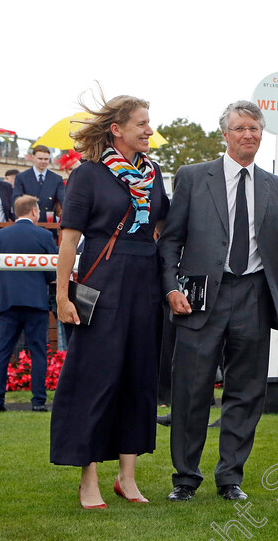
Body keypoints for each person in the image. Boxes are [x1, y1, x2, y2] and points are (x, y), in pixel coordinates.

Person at [159, 100, 278, 503]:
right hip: (199, 300)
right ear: (225, 134)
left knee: (246, 391)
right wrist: (171, 288)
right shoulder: (191, 177)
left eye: (255, 128)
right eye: (240, 128)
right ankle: (185, 478)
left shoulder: (276, 186)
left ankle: (230, 478)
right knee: (191, 389)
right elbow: (170, 242)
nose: (248, 135)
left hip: (254, 296)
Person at [50, 94, 170, 509]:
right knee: (95, 379)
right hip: (101, 283)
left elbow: (163, 228)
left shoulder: (154, 175)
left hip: (145, 284)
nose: (149, 130)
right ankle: (89, 479)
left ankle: (128, 477)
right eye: (141, 123)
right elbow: (69, 241)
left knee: (138, 380)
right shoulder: (88, 175)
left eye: (149, 123)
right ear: (117, 129)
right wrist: (63, 294)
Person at [0, 195, 56, 412]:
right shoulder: (44, 235)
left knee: (2, 351)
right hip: (36, 301)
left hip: (8, 301)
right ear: (34, 212)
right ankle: (38, 401)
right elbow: (51, 270)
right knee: (38, 351)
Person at [13, 144, 65, 223]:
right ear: (32, 157)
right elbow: (16, 200)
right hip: (28, 222)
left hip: (48, 224)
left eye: (46, 159)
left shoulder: (57, 179)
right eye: (40, 158)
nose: (43, 162)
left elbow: (63, 200)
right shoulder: (21, 177)